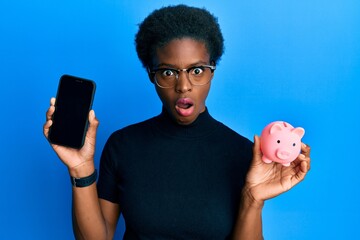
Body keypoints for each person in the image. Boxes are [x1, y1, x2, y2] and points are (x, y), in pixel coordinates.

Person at [43, 4, 311, 240]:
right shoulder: (123, 146)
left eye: (196, 70)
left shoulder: (243, 154)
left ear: (212, 70)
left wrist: (253, 199)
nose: (183, 86)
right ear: (151, 75)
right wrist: (81, 169)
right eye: (168, 72)